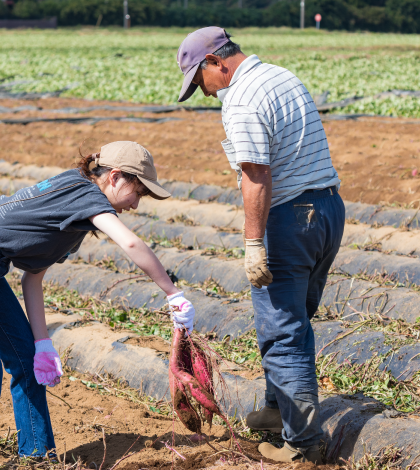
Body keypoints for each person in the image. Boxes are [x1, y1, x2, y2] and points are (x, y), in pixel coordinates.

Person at [0, 141, 196, 470]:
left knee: (26, 361)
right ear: (114, 178)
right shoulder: (86, 194)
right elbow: (129, 242)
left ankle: (38, 457)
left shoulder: (75, 212)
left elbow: (32, 278)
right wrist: (172, 293)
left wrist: (41, 344)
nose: (136, 205)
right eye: (137, 192)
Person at [176, 27, 343, 464]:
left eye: (200, 81)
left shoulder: (243, 98)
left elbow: (256, 175)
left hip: (289, 218)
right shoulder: (279, 75)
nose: (205, 92)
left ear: (216, 62)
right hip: (327, 211)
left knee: (283, 333)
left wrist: (253, 242)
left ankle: (303, 446)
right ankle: (276, 410)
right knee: (295, 318)